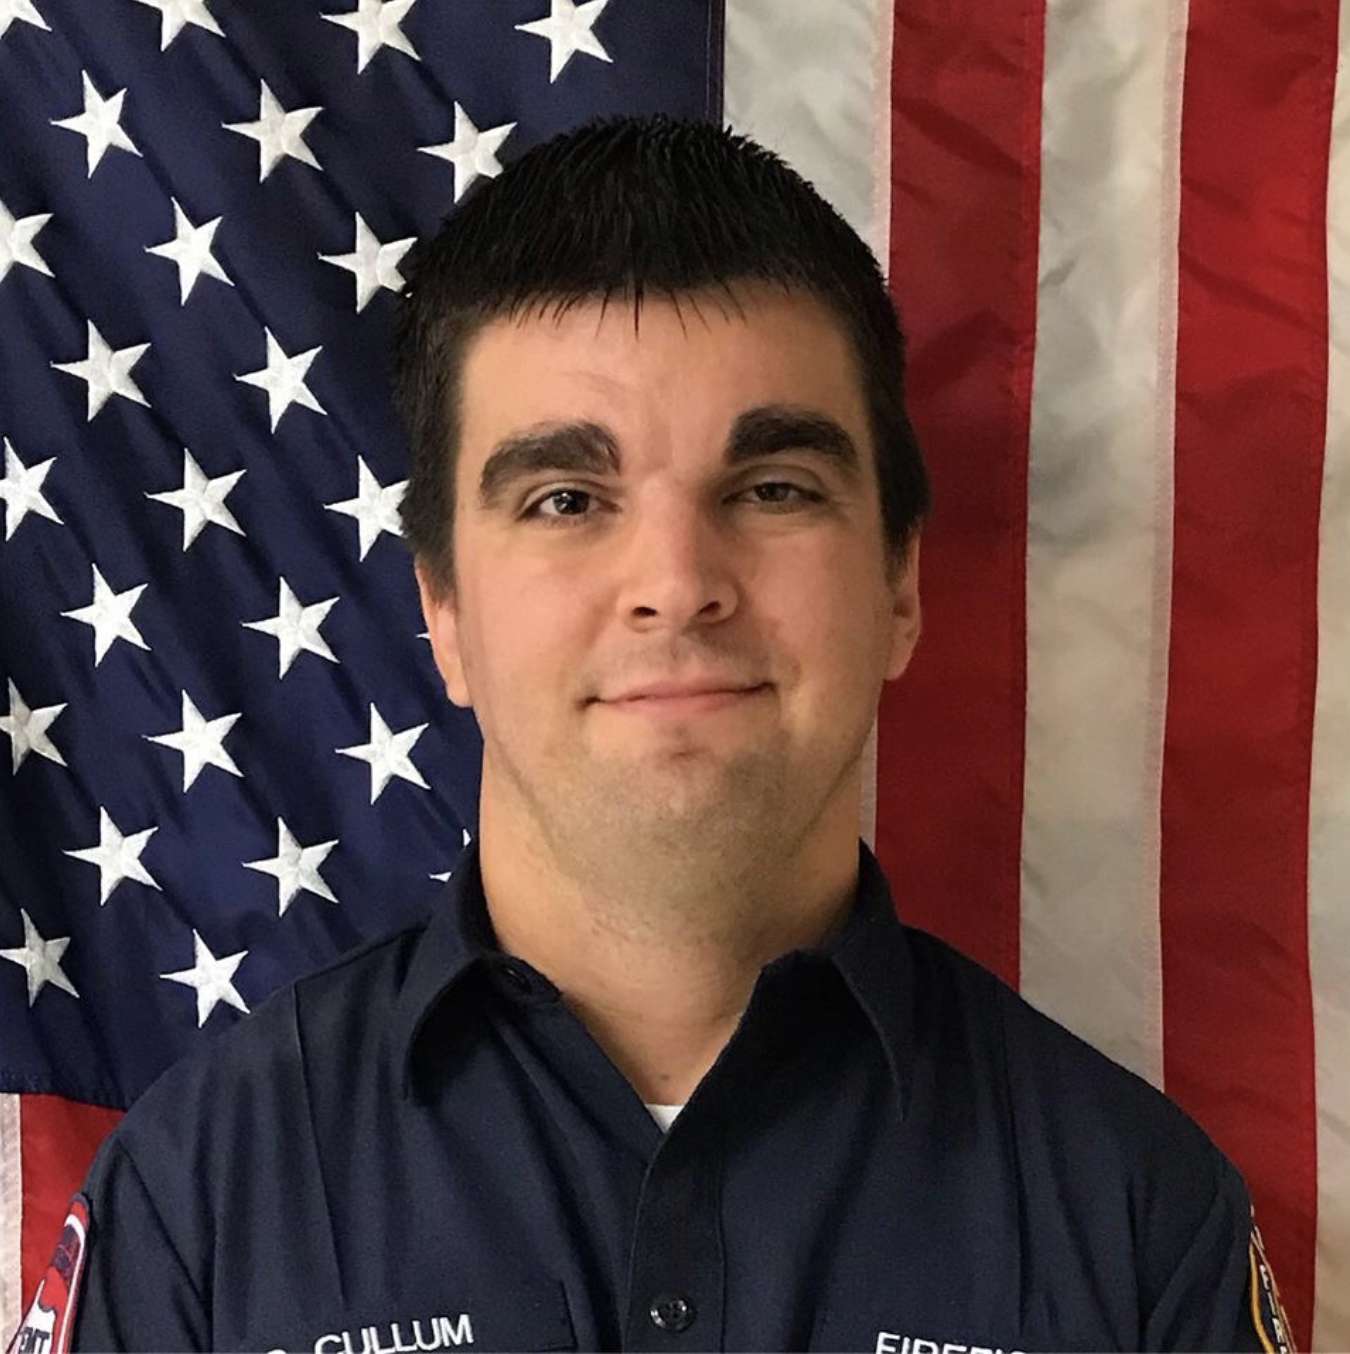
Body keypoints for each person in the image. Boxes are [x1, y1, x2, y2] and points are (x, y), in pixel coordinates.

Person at [10, 115, 1291, 1354]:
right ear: (443, 609)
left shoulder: (1138, 1222)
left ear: (900, 584)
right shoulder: (196, 1205)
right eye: (567, 497)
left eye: (774, 488)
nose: (677, 581)